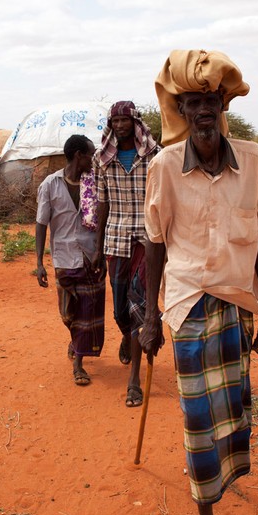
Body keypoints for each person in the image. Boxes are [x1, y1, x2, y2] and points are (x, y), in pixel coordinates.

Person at [139, 50, 258, 515]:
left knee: (233, 412)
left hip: (239, 304)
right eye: (194, 102)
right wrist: (152, 317)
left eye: (212, 101)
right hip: (188, 304)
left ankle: (222, 483)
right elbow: (155, 244)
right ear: (182, 108)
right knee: (199, 420)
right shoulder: (163, 168)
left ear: (224, 105)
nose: (204, 111)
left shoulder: (256, 161)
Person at [91, 101, 161, 407]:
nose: (119, 125)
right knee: (120, 310)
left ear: (134, 122)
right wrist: (96, 247)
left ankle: (134, 380)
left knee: (141, 308)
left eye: (124, 120)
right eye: (114, 121)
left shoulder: (155, 156)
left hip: (148, 242)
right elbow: (100, 204)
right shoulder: (101, 159)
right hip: (116, 239)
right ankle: (125, 335)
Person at [35, 135, 106, 386]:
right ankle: (75, 340)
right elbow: (41, 223)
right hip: (64, 258)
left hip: (90, 255)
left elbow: (103, 219)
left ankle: (79, 363)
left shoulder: (95, 184)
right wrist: (39, 262)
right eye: (90, 154)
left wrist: (101, 250)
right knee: (68, 314)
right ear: (79, 155)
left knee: (88, 312)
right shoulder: (50, 185)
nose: (93, 158)